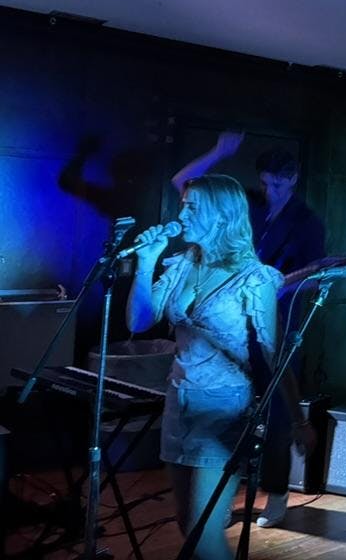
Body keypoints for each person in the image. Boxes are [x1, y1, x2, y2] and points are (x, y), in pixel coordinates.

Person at [126, 174, 312, 560]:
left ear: (222, 216)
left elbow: (275, 356)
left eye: (193, 207)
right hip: (179, 402)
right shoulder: (181, 265)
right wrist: (146, 261)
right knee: (185, 525)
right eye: (183, 204)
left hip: (224, 408)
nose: (182, 213)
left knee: (203, 533)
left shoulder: (253, 278)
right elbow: (139, 321)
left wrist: (298, 420)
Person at [172, 132, 326, 528]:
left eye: (277, 184)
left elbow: (311, 279)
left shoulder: (308, 222)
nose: (269, 190)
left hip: (276, 320)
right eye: (264, 183)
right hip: (230, 322)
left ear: (293, 180)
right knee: (226, 407)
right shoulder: (248, 204)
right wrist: (219, 151)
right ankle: (216, 497)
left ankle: (276, 493)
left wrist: (269, 284)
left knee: (276, 410)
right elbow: (183, 184)